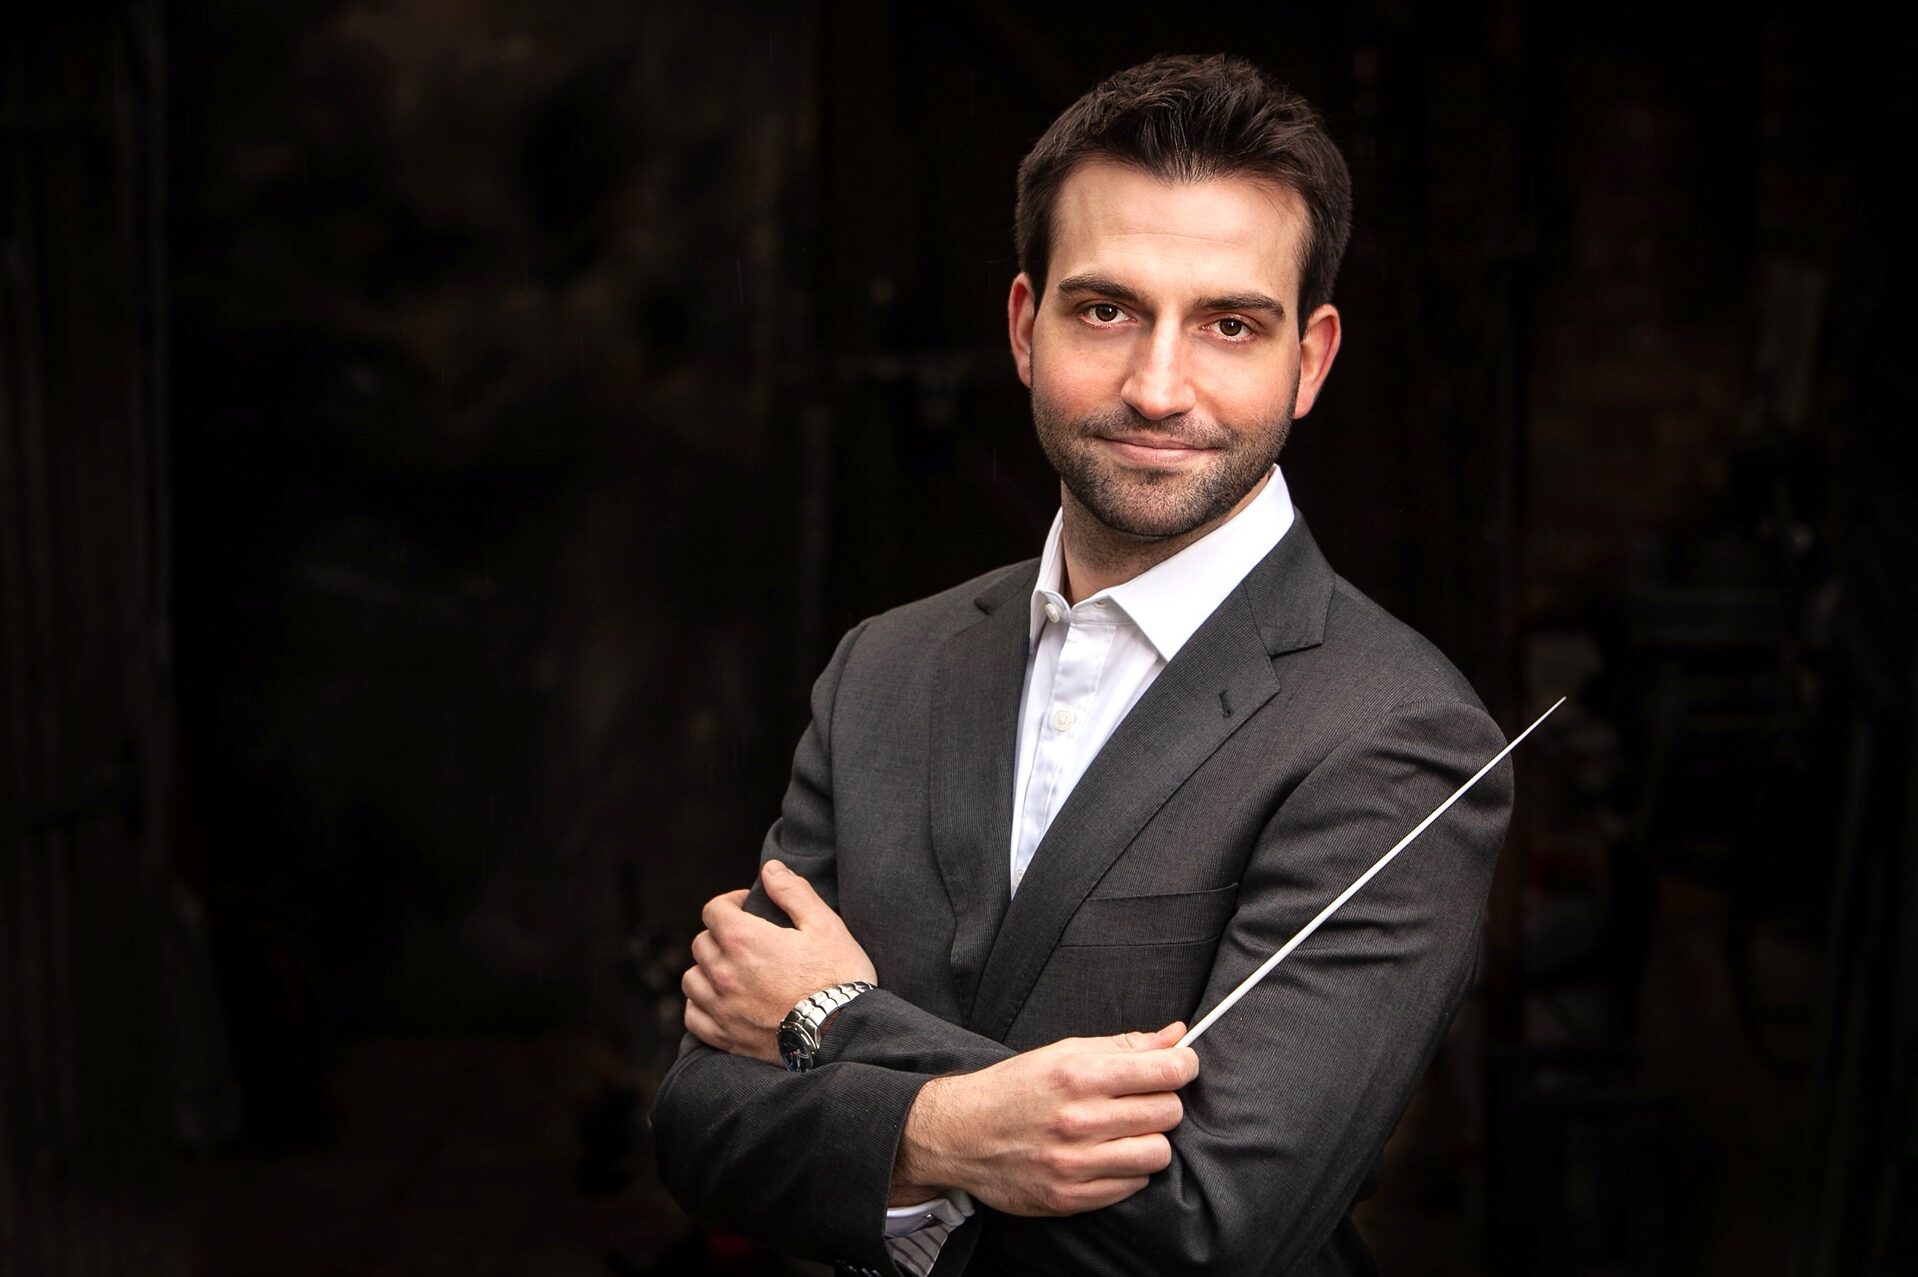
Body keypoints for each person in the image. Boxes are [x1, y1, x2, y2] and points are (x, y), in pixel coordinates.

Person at [651, 53, 1513, 1277]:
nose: (1157, 388)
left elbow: (1217, 1225)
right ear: (1024, 324)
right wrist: (960, 1127)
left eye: (1228, 324)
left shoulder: (1398, 730)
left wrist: (831, 1023)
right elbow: (700, 1125)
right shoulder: (882, 668)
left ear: (1310, 361)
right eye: (1105, 310)